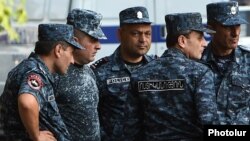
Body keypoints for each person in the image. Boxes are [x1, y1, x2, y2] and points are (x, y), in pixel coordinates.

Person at [130, 13, 218, 141]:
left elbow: (130, 127)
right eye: (200, 38)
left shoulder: (139, 74)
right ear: (182, 41)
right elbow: (210, 124)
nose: (205, 43)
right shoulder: (200, 73)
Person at [0, 24, 83, 141]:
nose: (72, 60)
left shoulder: (35, 68)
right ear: (58, 50)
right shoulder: (35, 72)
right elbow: (27, 103)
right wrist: (36, 136)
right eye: (71, 53)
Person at [91, 6, 156, 141]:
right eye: (135, 33)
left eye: (147, 33)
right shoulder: (101, 71)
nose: (143, 40)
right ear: (120, 34)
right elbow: (91, 118)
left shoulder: (157, 68)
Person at [54, 9, 106, 141]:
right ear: (74, 40)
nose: (98, 46)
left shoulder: (88, 71)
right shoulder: (55, 73)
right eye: (93, 40)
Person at [202, 1, 250, 125]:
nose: (236, 33)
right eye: (228, 27)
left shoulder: (248, 59)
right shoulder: (197, 63)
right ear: (211, 29)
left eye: (238, 25)